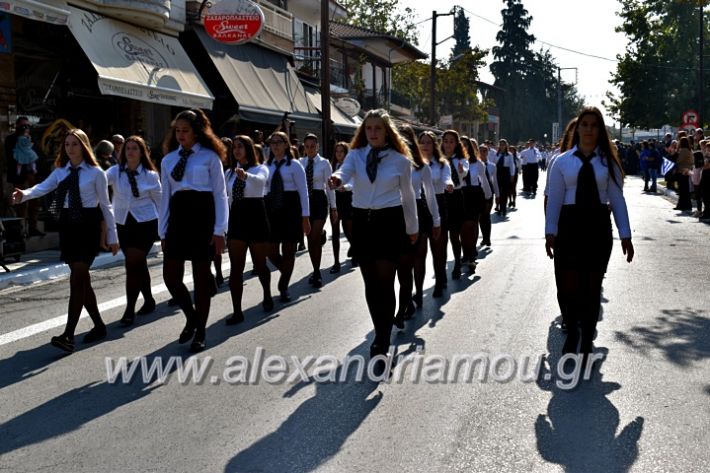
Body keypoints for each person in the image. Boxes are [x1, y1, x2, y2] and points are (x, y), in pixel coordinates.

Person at [12, 129, 119, 353]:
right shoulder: (61, 171)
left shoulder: (96, 172)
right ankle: (99, 326)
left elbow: (107, 206)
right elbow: (42, 187)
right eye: (67, 144)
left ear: (84, 146)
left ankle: (68, 335)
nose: (70, 148)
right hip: (68, 226)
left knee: (77, 278)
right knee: (82, 281)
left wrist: (112, 236)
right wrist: (25, 193)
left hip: (88, 225)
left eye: (75, 144)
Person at [329, 109, 418, 375]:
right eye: (369, 129)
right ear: (363, 131)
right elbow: (344, 172)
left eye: (378, 128)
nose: (373, 133)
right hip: (363, 224)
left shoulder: (400, 160)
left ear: (387, 131)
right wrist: (337, 179)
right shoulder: (356, 156)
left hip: (390, 222)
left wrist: (412, 228)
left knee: (385, 281)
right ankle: (380, 328)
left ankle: (382, 338)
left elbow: (409, 195)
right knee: (371, 284)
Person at [545, 107, 634, 357]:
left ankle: (587, 336)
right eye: (584, 124)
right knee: (567, 284)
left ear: (600, 130)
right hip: (569, 225)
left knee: (592, 286)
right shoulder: (561, 162)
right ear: (578, 128)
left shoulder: (609, 162)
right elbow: (554, 200)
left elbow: (617, 199)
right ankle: (572, 330)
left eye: (594, 125)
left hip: (597, 226)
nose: (588, 129)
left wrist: (625, 234)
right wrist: (550, 231)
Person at [159, 109, 228, 353]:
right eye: (177, 130)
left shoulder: (210, 157)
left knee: (200, 278)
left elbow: (220, 195)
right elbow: (165, 196)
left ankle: (200, 331)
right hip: (178, 218)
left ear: (197, 131)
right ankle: (191, 316)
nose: (180, 135)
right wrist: (163, 231)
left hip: (203, 217)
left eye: (185, 130)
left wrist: (220, 230)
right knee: (171, 276)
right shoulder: (168, 160)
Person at [106, 136, 161, 326]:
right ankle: (149, 300)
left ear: (141, 152)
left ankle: (129, 309)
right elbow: (99, 181)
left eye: (134, 148)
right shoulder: (115, 171)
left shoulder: (150, 175)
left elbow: (161, 204)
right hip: (123, 223)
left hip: (145, 223)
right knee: (138, 263)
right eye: (127, 148)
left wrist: (165, 231)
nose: (129, 151)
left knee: (132, 263)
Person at [224, 135, 272, 324]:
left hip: (255, 215)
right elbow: (226, 198)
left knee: (260, 264)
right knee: (236, 267)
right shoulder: (229, 173)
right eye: (234, 146)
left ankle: (267, 295)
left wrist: (246, 176)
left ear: (249, 149)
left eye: (241, 146)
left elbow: (261, 182)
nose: (236, 150)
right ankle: (237, 311)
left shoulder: (260, 168)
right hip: (237, 217)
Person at [395, 126, 440, 324]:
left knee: (418, 258)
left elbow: (430, 196)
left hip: (419, 213)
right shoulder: (390, 162)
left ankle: (418, 292)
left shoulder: (423, 167)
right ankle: (406, 301)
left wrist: (436, 220)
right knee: (401, 263)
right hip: (395, 214)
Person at [265, 131, 310, 302]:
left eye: (279, 142)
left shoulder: (295, 165)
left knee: (289, 250)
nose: (275, 145)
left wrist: (305, 217)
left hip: (291, 208)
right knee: (271, 250)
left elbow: (303, 192)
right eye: (273, 142)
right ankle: (286, 271)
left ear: (286, 144)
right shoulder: (266, 166)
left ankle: (283, 285)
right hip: (272, 209)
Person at [300, 133, 337, 288]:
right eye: (307, 146)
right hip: (306, 201)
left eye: (312, 146)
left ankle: (317, 273)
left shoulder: (324, 163)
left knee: (314, 235)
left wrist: (334, 207)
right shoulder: (300, 163)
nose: (310, 149)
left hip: (319, 200)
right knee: (310, 238)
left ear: (317, 147)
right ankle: (315, 270)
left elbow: (330, 187)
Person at [419, 131, 452, 297]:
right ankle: (418, 290)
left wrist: (449, 184)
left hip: (438, 203)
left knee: (438, 246)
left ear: (434, 145)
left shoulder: (441, 163)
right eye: (422, 142)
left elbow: (447, 178)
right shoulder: (413, 164)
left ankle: (440, 280)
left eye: (428, 143)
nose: (425, 146)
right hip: (420, 205)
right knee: (419, 250)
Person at [5, 117, 43, 237]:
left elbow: (37, 154)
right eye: (23, 126)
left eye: (27, 126)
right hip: (20, 176)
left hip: (32, 175)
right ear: (17, 126)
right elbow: (10, 157)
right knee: (22, 203)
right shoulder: (11, 139)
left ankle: (33, 227)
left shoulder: (31, 139)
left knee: (34, 202)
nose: (25, 128)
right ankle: (22, 230)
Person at [460, 136, 492, 271]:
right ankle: (465, 252)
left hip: (474, 195)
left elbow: (484, 181)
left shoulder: (478, 163)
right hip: (460, 195)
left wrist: (488, 198)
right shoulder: (454, 161)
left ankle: (472, 254)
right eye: (462, 145)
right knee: (462, 227)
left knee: (472, 225)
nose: (465, 147)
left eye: (467, 145)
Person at [441, 130, 469, 280]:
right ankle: (440, 270)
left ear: (456, 144)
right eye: (446, 141)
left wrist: (461, 170)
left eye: (451, 141)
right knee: (441, 236)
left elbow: (464, 171)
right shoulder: (438, 159)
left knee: (454, 234)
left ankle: (457, 262)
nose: (448, 144)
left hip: (456, 197)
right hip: (441, 198)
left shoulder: (461, 159)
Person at [329, 141, 354, 272]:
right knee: (335, 232)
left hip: (347, 198)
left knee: (348, 229)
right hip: (335, 199)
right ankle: (336, 262)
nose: (339, 154)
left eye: (342, 152)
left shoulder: (350, 166)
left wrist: (346, 187)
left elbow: (354, 182)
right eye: (337, 151)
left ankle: (355, 249)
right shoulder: (332, 165)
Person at [478, 144, 498, 247]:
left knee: (486, 215)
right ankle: (484, 237)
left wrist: (497, 195)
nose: (482, 153)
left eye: (484, 151)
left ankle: (487, 238)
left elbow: (495, 182)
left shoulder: (492, 166)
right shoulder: (475, 165)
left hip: (489, 193)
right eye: (480, 150)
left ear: (487, 152)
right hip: (479, 193)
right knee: (481, 217)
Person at [495, 139, 516, 216]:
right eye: (500, 145)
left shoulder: (509, 155)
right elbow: (493, 164)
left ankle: (503, 207)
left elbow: (512, 165)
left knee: (505, 191)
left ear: (506, 146)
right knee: (498, 191)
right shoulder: (496, 154)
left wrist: (512, 175)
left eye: (503, 145)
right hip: (498, 173)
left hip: (506, 173)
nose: (502, 146)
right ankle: (499, 206)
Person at [675, 136, 694, 211]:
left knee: (683, 189)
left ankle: (683, 205)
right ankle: (684, 205)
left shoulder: (684, 150)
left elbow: (678, 160)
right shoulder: (688, 149)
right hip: (686, 170)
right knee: (685, 189)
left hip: (682, 171)